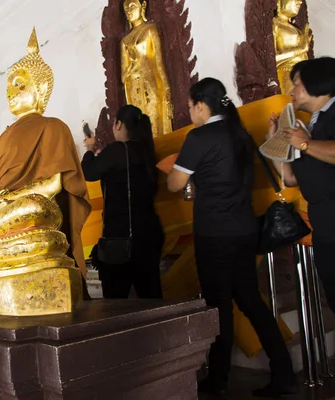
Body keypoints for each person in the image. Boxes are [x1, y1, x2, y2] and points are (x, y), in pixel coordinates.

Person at [167, 78, 297, 397]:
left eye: (190, 107)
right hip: (244, 229)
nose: (190, 113)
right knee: (250, 300)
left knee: (219, 304)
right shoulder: (241, 133)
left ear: (200, 105)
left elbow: (174, 184)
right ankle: (284, 372)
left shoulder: (199, 136)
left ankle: (218, 381)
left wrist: (186, 175)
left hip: (215, 232)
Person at [268, 57, 335, 313]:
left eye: (296, 84)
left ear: (317, 84)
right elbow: (293, 178)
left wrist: (305, 144)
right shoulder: (311, 124)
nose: (291, 92)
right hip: (324, 225)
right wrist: (276, 144)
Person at [82, 105, 164, 299]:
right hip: (149, 237)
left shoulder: (118, 150)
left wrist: (90, 148)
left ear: (118, 125)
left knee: (115, 305)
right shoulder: (146, 151)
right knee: (151, 299)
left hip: (121, 240)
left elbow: (89, 172)